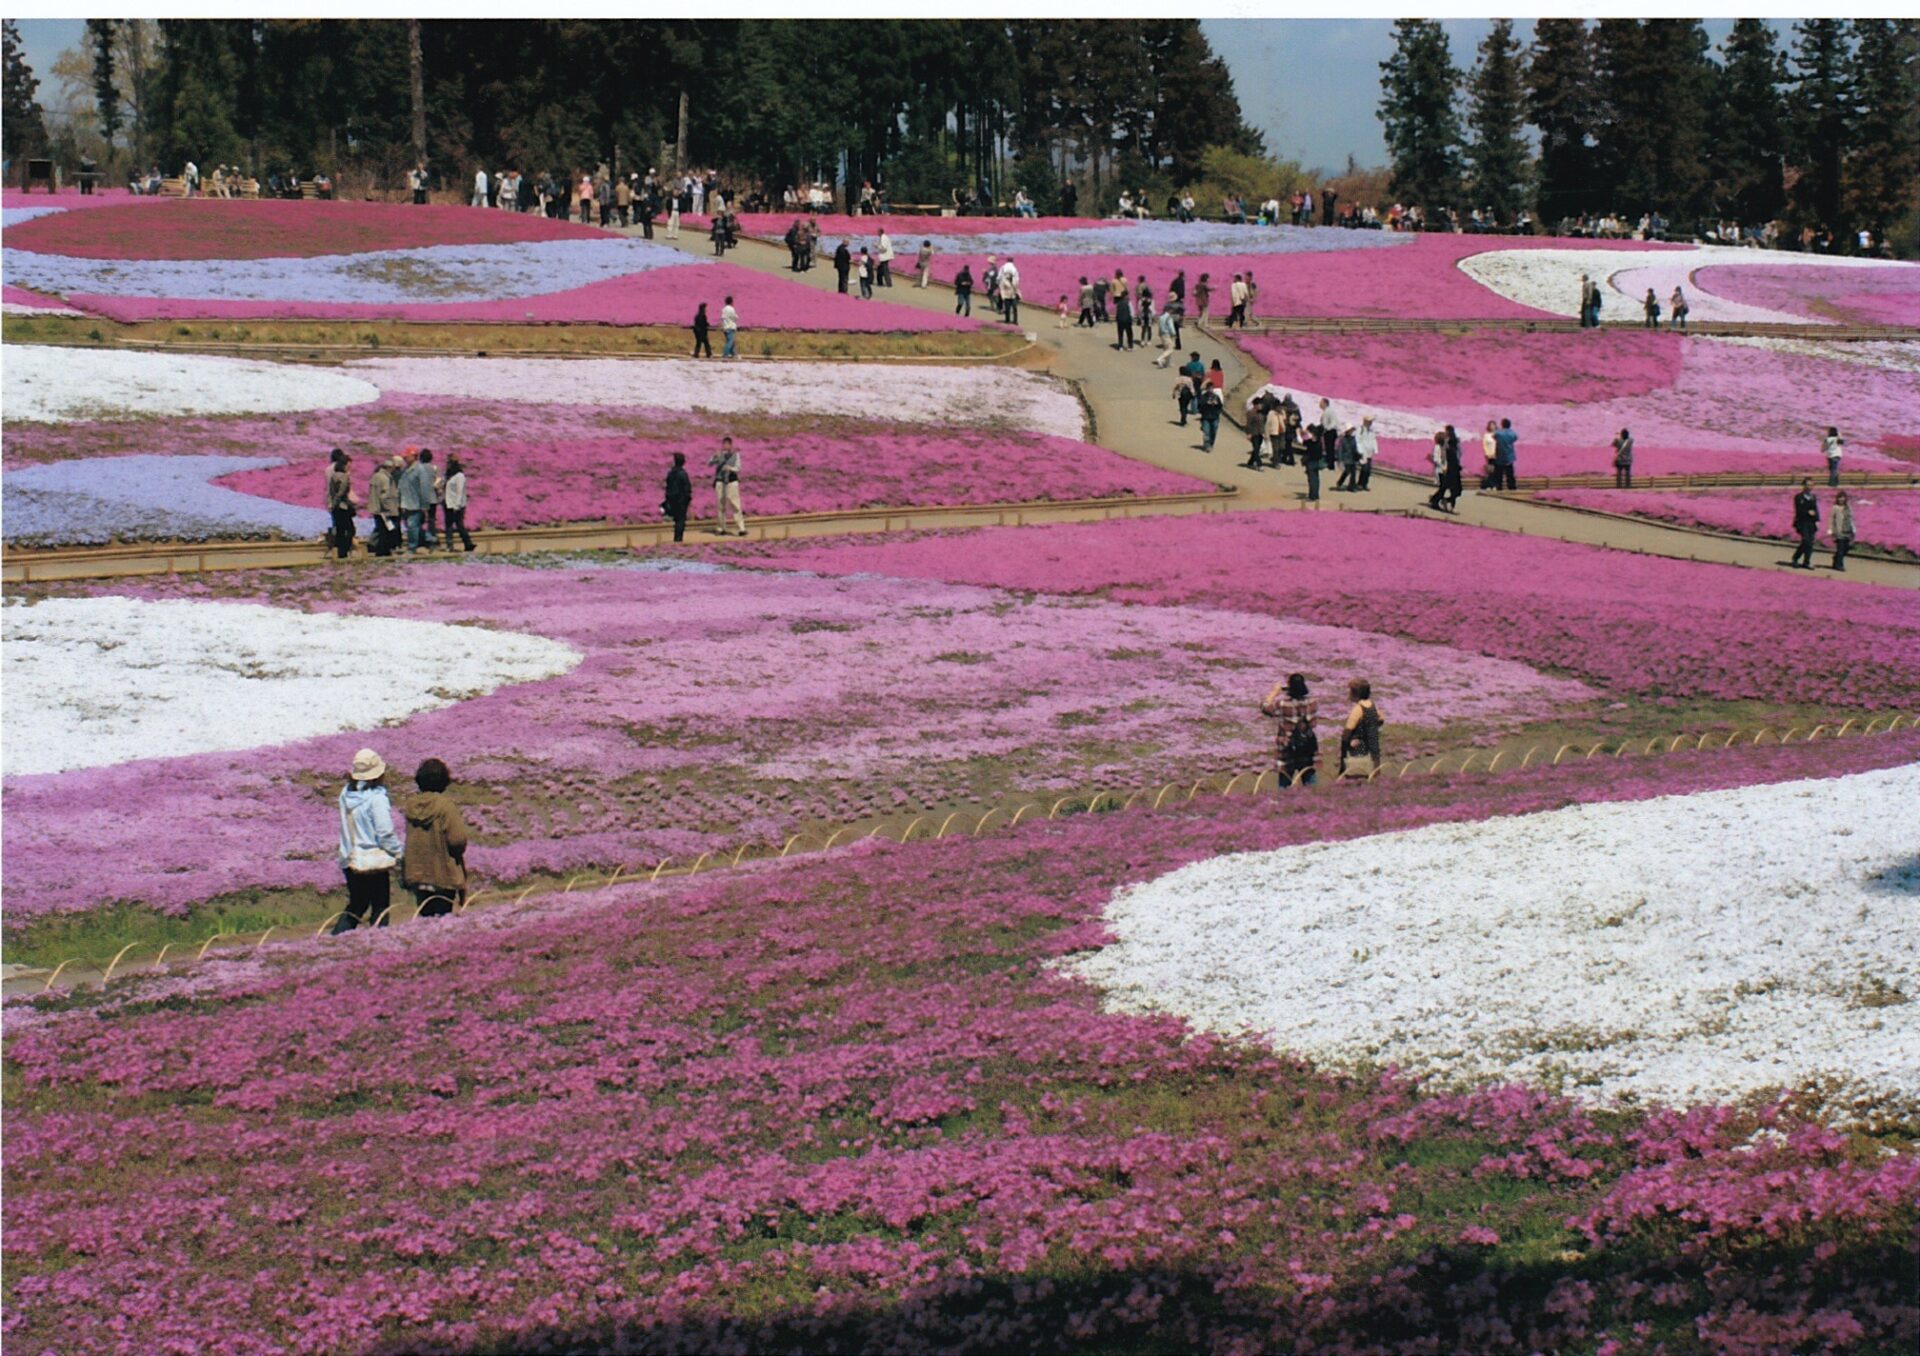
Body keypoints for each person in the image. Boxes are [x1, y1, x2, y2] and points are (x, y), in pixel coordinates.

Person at [334, 748, 402, 933]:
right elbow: (385, 832)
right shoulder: (377, 798)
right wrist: (399, 852)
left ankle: (334, 941)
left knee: (357, 904)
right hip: (372, 862)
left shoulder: (346, 793)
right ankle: (376, 945)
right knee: (380, 907)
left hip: (350, 858)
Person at [400, 758, 469, 918]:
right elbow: (457, 840)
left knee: (425, 917)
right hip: (442, 874)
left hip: (418, 872)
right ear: (444, 781)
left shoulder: (411, 805)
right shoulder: (446, 807)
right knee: (442, 919)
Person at [1261, 672, 1319, 789]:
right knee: (1309, 780)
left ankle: (1285, 805)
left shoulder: (1283, 704)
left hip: (1288, 750)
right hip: (1307, 748)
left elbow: (1265, 707)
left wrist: (1274, 692)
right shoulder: (1313, 703)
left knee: (1285, 783)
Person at [1338, 679, 1384, 777]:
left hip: (1359, 749)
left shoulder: (1358, 709)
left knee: (1357, 774)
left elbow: (1348, 730)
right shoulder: (1373, 706)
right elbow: (1381, 719)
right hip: (1373, 747)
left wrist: (1348, 742)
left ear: (1355, 694)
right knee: (1372, 775)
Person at [709, 436, 746, 536]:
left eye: (727, 444)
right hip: (720, 482)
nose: (725, 446)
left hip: (731, 482)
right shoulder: (719, 455)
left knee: (735, 504)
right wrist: (715, 456)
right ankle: (721, 527)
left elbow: (738, 468)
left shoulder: (735, 455)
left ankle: (741, 528)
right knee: (721, 505)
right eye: (724, 444)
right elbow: (710, 463)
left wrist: (730, 468)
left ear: (730, 445)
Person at [326, 449, 358, 560]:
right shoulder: (345, 477)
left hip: (335, 507)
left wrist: (331, 504)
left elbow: (331, 492)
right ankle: (343, 551)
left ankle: (338, 550)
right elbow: (341, 494)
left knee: (339, 530)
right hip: (342, 506)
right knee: (350, 530)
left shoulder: (333, 476)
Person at [367, 454, 401, 557]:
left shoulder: (375, 476)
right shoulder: (386, 478)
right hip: (384, 510)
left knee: (381, 529)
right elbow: (385, 496)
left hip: (375, 508)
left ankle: (381, 550)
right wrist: (389, 509)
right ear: (389, 468)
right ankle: (383, 551)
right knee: (386, 531)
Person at [441, 454, 475, 552]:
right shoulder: (447, 475)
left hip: (456, 505)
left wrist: (457, 505)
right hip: (447, 503)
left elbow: (460, 491)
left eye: (450, 463)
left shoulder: (460, 476)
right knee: (448, 525)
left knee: (459, 525)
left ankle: (468, 543)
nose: (448, 465)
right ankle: (449, 545)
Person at [663, 451, 693, 542]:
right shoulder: (683, 474)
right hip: (681, 500)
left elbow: (667, 486)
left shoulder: (670, 473)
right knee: (681, 520)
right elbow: (687, 487)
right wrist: (688, 498)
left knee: (676, 519)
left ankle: (677, 537)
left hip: (672, 499)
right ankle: (678, 538)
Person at [1790, 479, 1820, 568]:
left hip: (1811, 523)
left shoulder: (1813, 497)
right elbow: (1798, 510)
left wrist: (1817, 520)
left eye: (1811, 485)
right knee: (1806, 541)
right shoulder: (1798, 497)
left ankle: (1806, 561)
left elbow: (1815, 509)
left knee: (1810, 543)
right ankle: (1796, 557)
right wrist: (1807, 512)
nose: (1809, 487)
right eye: (1807, 485)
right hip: (1802, 522)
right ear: (1804, 485)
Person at [1829, 489, 1854, 572]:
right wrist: (1831, 530)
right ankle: (1839, 565)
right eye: (1840, 497)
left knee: (1846, 548)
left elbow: (1851, 519)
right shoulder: (1835, 508)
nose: (1841, 499)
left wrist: (1854, 529)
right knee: (1840, 549)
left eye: (1843, 497)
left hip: (1847, 530)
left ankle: (1836, 558)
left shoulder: (1848, 507)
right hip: (1839, 531)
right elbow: (1831, 519)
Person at [1493, 418, 1518, 491]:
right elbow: (1515, 438)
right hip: (1510, 456)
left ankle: (1499, 487)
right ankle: (1511, 487)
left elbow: (1494, 437)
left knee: (1499, 474)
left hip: (1500, 456)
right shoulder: (1513, 433)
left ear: (1502, 424)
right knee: (1510, 474)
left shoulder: (1498, 433)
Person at [1197, 382, 1223, 452]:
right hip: (1206, 417)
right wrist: (1206, 404)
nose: (1210, 390)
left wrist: (1216, 404)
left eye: (1212, 388)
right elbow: (1199, 407)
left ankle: (1211, 443)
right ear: (1207, 389)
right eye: (1209, 388)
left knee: (1213, 431)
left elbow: (1220, 406)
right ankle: (1207, 445)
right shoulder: (1203, 397)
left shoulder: (1216, 397)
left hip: (1215, 416)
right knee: (1206, 432)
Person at [1355, 416, 1379, 490]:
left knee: (1368, 470)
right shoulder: (1360, 429)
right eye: (1369, 421)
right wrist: (1360, 451)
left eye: (1371, 421)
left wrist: (1375, 449)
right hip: (1363, 452)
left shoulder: (1371, 431)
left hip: (1369, 453)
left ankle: (1364, 484)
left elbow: (1373, 440)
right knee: (1364, 469)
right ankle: (1360, 484)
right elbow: (1358, 440)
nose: (1370, 423)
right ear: (1365, 421)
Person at [998, 258, 1021, 325]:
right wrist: (1002, 296)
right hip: (1006, 295)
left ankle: (1015, 321)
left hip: (1013, 295)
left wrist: (1018, 293)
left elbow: (1016, 287)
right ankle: (1007, 320)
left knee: (1014, 308)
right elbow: (1002, 288)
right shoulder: (1005, 281)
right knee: (1007, 308)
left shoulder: (1013, 280)